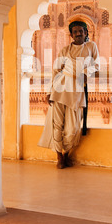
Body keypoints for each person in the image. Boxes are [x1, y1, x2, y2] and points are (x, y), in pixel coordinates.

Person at [38, 19, 100, 169]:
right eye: (75, 32)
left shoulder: (91, 47)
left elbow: (96, 65)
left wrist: (86, 73)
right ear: (71, 35)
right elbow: (55, 71)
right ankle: (59, 156)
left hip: (77, 90)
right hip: (60, 88)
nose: (78, 33)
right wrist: (49, 91)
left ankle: (66, 154)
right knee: (57, 124)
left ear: (86, 32)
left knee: (73, 128)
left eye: (81, 31)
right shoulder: (65, 50)